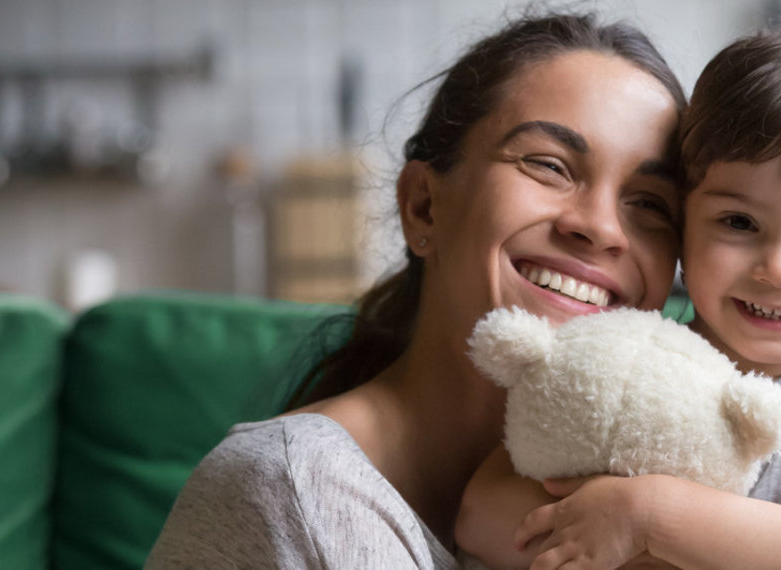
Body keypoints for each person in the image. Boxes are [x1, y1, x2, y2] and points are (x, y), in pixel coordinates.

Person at [144, 11, 687, 569]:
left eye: (650, 203)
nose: (600, 227)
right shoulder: (292, 490)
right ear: (423, 206)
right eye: (548, 165)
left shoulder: (663, 507)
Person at [455, 27, 781, 569]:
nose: (780, 270)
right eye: (739, 222)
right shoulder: (618, 353)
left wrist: (648, 518)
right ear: (683, 225)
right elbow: (482, 512)